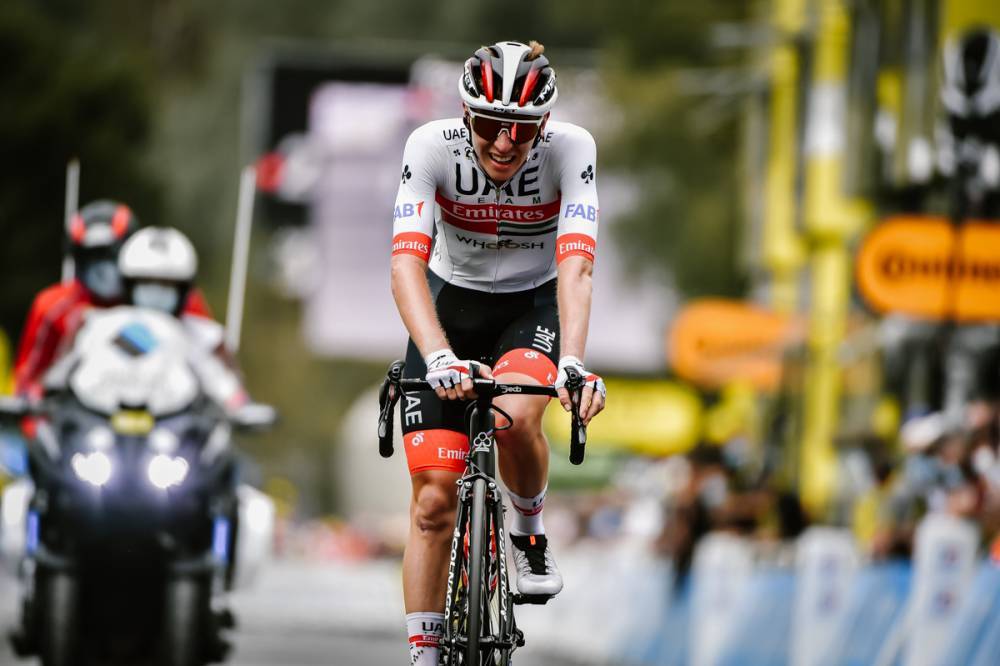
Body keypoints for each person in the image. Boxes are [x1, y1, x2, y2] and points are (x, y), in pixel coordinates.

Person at [390, 40, 606, 665]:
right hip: (450, 307)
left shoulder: (573, 149)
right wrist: (436, 357)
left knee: (516, 415)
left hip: (530, 307)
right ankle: (425, 657)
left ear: (545, 123)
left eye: (523, 128)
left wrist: (573, 363)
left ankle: (527, 532)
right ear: (466, 114)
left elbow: (577, 265)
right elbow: (405, 264)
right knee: (434, 502)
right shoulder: (430, 146)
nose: (505, 144)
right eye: (489, 124)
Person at [13, 200, 212, 401]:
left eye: (112, 255)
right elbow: (30, 382)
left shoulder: (171, 298)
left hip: (166, 407)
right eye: (92, 258)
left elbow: (209, 362)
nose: (104, 269)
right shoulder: (56, 307)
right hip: (86, 411)